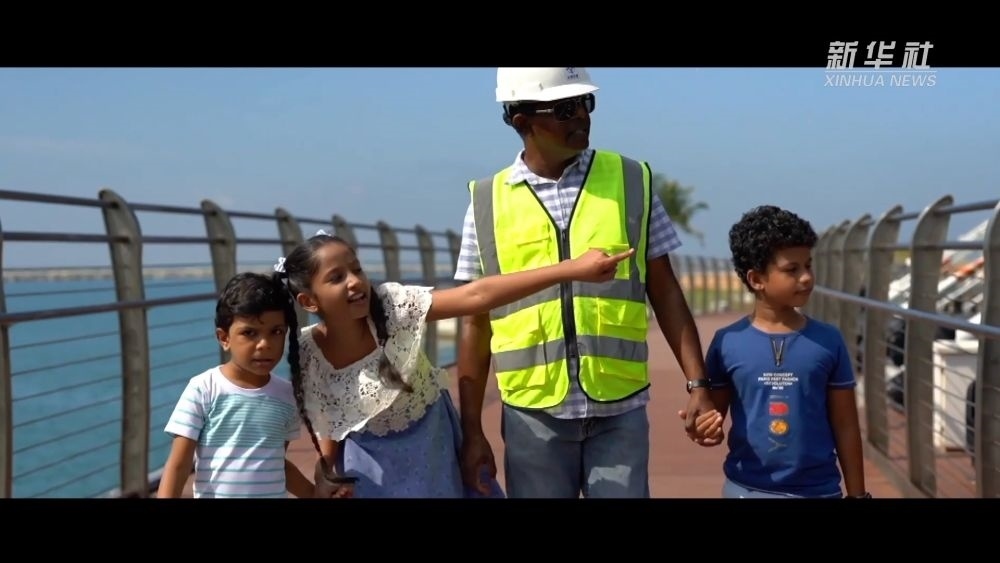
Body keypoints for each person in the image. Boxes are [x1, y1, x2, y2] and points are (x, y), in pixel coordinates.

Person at [453, 67, 721, 499]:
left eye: (585, 103)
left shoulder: (631, 181)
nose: (581, 115)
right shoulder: (486, 202)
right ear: (521, 120)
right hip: (532, 415)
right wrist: (472, 432)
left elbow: (666, 291)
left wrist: (698, 385)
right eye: (564, 108)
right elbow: (474, 320)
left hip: (620, 407)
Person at [277, 229, 635, 498]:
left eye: (356, 269)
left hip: (435, 452)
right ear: (309, 301)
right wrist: (326, 470)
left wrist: (570, 269)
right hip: (370, 471)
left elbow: (476, 295)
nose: (355, 281)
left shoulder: (392, 307)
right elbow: (326, 417)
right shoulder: (308, 351)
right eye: (337, 277)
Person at [698, 205, 869, 498]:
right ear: (756, 279)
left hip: (819, 491)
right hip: (746, 489)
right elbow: (712, 416)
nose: (806, 277)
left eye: (808, 266)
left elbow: (846, 426)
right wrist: (704, 429)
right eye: (792, 269)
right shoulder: (727, 342)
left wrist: (858, 494)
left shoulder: (828, 340)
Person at [157, 272, 313, 499]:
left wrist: (314, 493)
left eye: (276, 332)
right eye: (249, 333)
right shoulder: (204, 388)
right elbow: (179, 465)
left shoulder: (286, 395)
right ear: (224, 338)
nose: (264, 344)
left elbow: (277, 462)